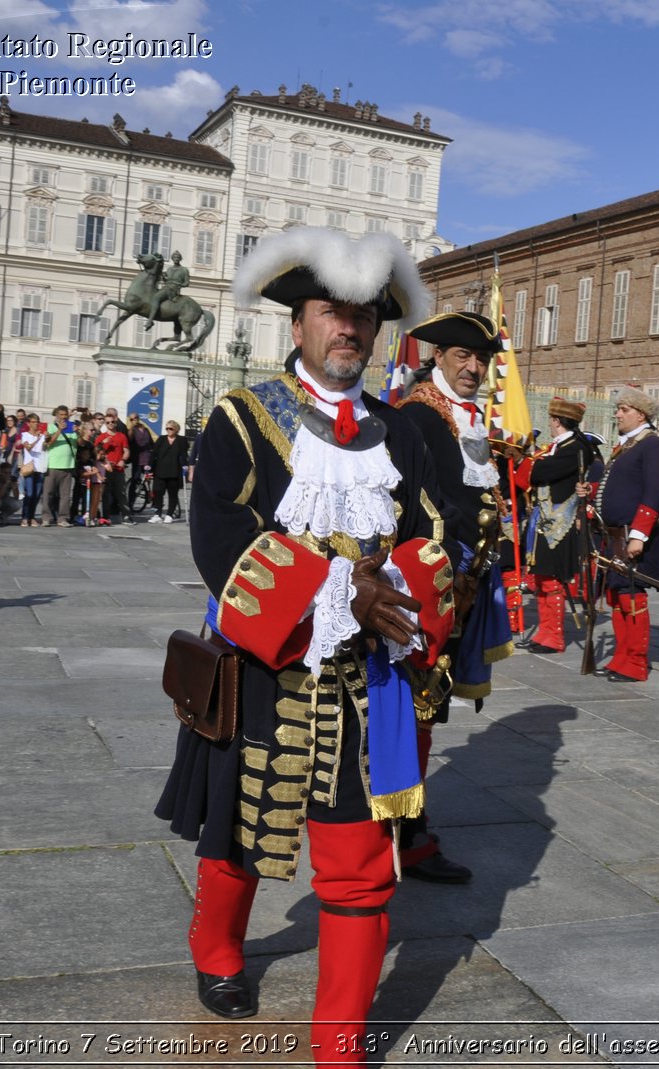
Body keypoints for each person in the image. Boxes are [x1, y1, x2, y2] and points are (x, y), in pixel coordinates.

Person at [153, 228, 454, 1063]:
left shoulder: (404, 433)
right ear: (299, 324)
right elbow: (220, 539)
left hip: (371, 685)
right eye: (332, 312)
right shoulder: (242, 419)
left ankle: (341, 1048)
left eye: (363, 315)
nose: (348, 328)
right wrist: (341, 586)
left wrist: (401, 592)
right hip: (263, 667)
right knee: (240, 836)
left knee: (360, 868)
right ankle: (217, 953)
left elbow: (431, 534)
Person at [394, 309, 519, 884]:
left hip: (463, 587)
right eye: (462, 357)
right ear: (438, 357)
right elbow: (417, 506)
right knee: (413, 709)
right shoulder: (419, 418)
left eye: (481, 359)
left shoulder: (467, 418)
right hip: (427, 587)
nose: (474, 368)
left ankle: (406, 829)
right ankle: (401, 836)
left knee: (428, 709)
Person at [593, 386, 659, 682]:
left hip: (633, 536)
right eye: (618, 409)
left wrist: (639, 534)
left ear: (641, 414)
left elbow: (653, 493)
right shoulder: (627, 445)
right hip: (614, 536)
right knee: (617, 598)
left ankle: (635, 663)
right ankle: (621, 658)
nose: (618, 414)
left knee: (631, 598)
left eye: (624, 410)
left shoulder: (652, 445)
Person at [519, 398, 600, 654]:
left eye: (552, 421)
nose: (550, 425)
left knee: (553, 580)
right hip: (545, 520)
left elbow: (539, 473)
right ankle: (544, 632)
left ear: (557, 421)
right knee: (542, 579)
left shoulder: (576, 448)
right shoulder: (558, 447)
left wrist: (530, 463)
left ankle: (554, 636)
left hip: (559, 523)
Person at [41, 406, 78, 527]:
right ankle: (46, 517)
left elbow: (80, 442)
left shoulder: (72, 428)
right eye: (61, 414)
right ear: (56, 415)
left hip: (68, 466)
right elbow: (49, 443)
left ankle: (63, 518)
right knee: (48, 493)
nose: (63, 417)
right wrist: (59, 431)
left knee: (65, 495)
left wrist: (79, 431)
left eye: (65, 415)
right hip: (53, 465)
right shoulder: (51, 427)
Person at [148, 421, 190, 523]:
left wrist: (185, 465)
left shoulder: (181, 440)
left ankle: (169, 514)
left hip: (174, 471)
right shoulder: (162, 439)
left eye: (170, 429)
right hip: (160, 471)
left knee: (173, 494)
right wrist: (149, 464)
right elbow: (154, 453)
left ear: (176, 429)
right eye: (167, 428)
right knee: (157, 492)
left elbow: (184, 454)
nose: (168, 431)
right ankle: (157, 514)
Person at [17, 414, 47, 527]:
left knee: (37, 494)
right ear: (28, 423)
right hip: (30, 467)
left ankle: (32, 517)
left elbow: (45, 447)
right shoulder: (25, 435)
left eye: (37, 422)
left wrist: (45, 439)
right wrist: (38, 439)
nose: (36, 424)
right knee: (29, 493)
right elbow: (28, 447)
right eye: (33, 422)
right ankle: (25, 517)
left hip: (40, 467)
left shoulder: (42, 436)